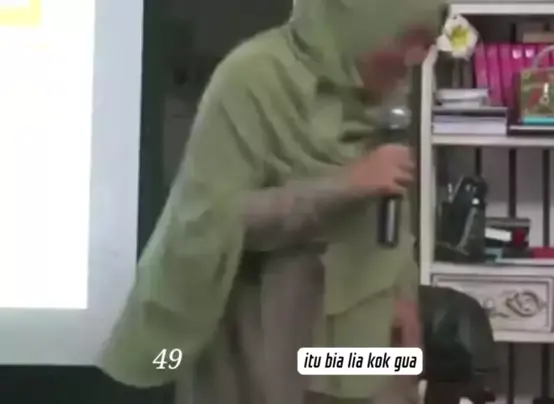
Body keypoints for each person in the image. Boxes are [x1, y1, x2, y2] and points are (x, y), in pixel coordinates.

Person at [99, 0, 446, 403]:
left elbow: (391, 208)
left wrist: (403, 297)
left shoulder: (383, 89)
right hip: (269, 333)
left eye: (427, 43)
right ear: (359, 20)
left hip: (366, 335)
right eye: (407, 39)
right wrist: (343, 186)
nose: (415, 59)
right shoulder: (252, 79)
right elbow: (213, 220)